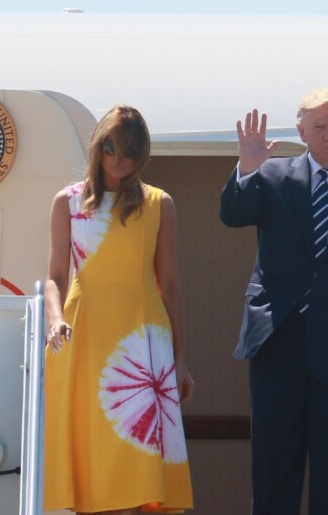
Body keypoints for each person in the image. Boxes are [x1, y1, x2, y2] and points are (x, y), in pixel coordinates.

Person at [43, 105, 194, 515]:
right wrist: (55, 318)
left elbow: (170, 285)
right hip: (82, 335)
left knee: (136, 467)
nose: (119, 158)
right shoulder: (68, 201)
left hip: (142, 341)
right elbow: (55, 275)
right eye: (111, 147)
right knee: (92, 457)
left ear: (142, 154)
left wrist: (180, 360)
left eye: (130, 150)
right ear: (98, 146)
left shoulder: (159, 203)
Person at [219, 88, 328, 514]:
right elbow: (233, 214)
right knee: (274, 469)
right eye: (319, 126)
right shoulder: (273, 174)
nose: (327, 134)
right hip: (277, 341)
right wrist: (246, 167)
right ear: (301, 131)